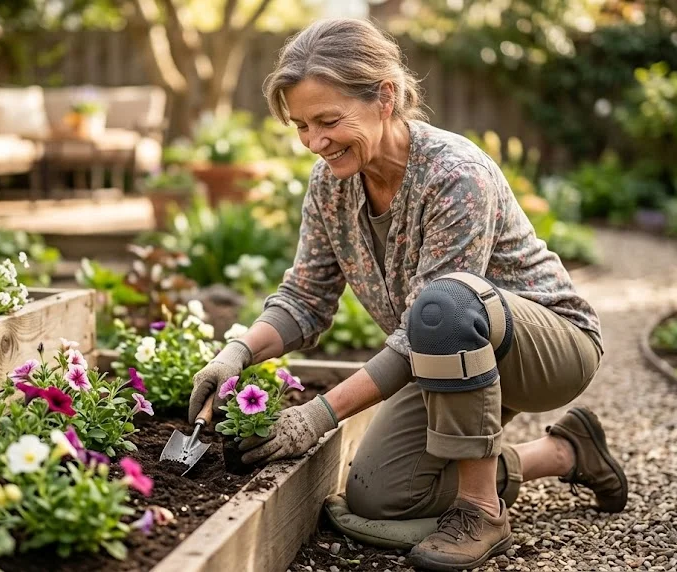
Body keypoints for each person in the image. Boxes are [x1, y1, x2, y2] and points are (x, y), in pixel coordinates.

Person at [187, 18, 626, 571]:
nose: (315, 143)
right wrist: (238, 352)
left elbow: (435, 316)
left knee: (444, 304)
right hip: (447, 356)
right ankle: (565, 452)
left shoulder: (455, 174)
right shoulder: (330, 184)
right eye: (301, 126)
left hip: (549, 348)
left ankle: (481, 511)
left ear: (385, 97)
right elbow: (306, 296)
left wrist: (317, 415)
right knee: (380, 496)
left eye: (329, 121)